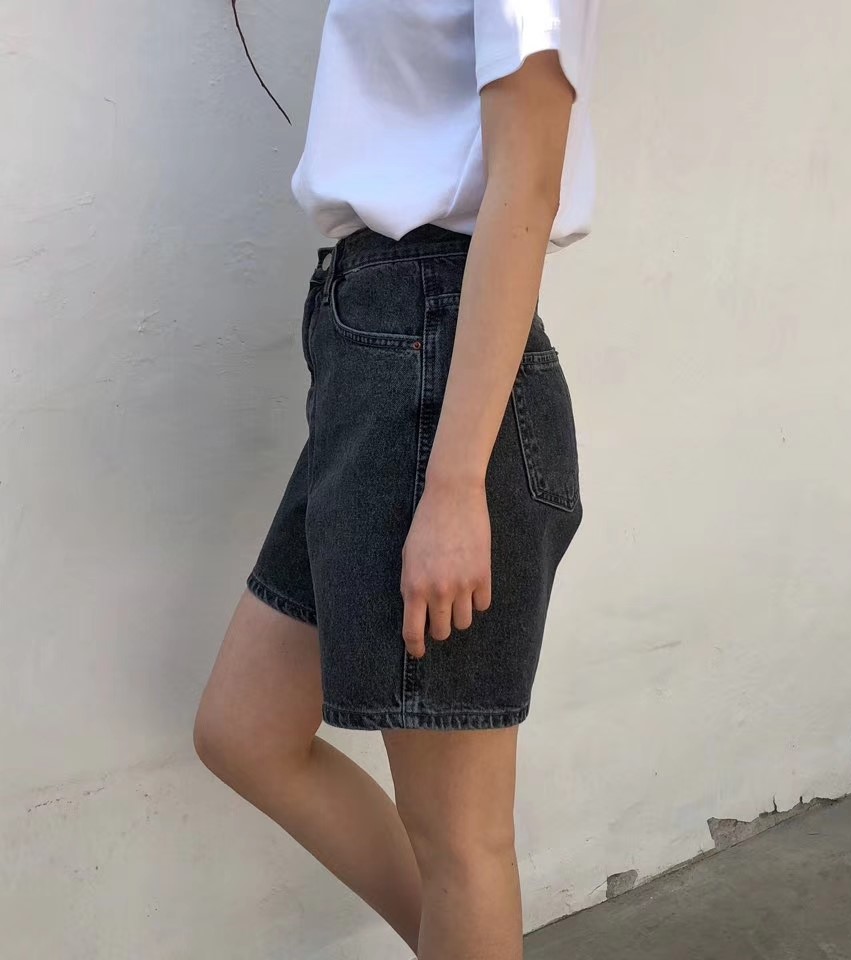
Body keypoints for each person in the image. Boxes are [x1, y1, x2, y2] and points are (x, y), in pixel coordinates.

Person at [193, 2, 599, 957]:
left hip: (435, 365)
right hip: (372, 355)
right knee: (246, 728)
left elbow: (529, 178)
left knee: (461, 839)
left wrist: (455, 487)